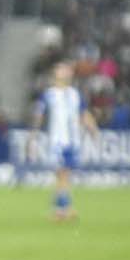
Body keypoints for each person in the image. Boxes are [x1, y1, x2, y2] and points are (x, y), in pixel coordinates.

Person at [31, 61, 97, 221]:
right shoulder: (49, 94)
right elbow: (39, 116)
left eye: (66, 69)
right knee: (62, 175)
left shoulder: (75, 94)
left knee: (64, 176)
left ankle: (61, 210)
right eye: (60, 69)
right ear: (55, 73)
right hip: (57, 142)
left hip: (73, 141)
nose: (64, 71)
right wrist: (32, 136)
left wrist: (93, 128)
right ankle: (64, 209)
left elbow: (83, 114)